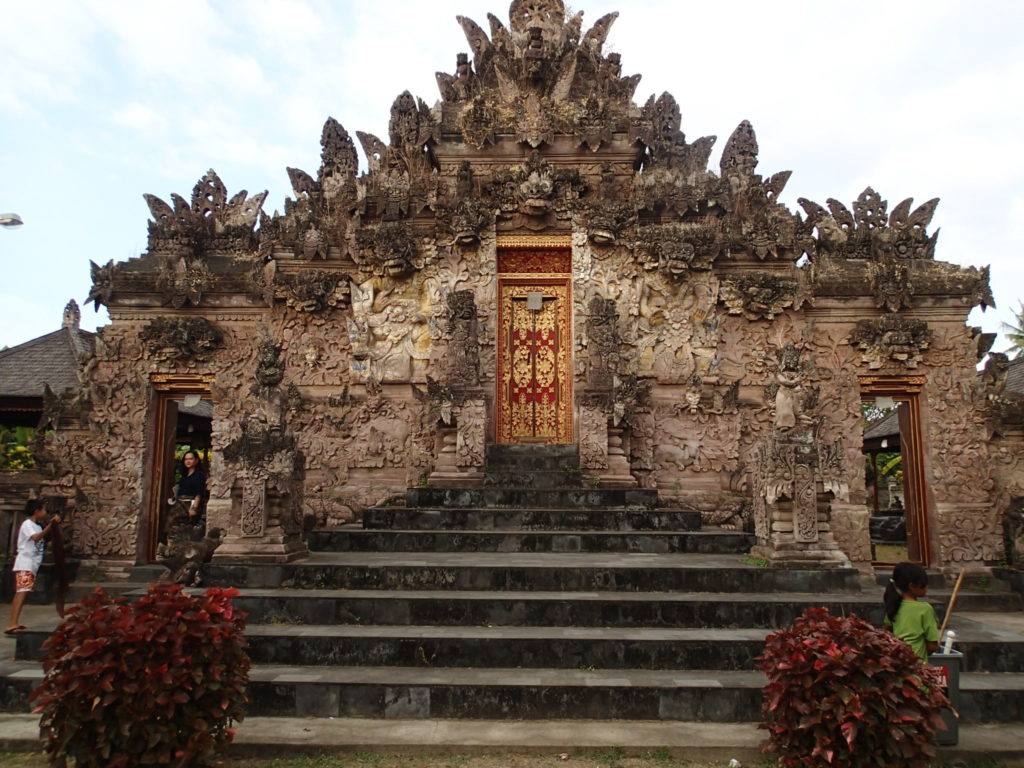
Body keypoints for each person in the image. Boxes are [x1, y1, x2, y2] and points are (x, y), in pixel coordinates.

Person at [5, 500, 60, 635]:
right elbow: (35, 538)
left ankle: (14, 622)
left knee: (23, 592)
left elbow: (43, 538)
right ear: (37, 511)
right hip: (25, 563)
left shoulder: (38, 526)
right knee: (21, 592)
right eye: (44, 510)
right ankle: (11, 624)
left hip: (32, 564)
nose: (45, 513)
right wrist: (51, 525)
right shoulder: (27, 524)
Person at [884, 561, 940, 662]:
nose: (926, 588)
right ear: (911, 585)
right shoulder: (925, 608)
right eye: (923, 584)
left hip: (897, 664)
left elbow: (886, 633)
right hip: (916, 666)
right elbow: (932, 646)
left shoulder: (893, 605)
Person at [166, 450, 206, 544]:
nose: (188, 461)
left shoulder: (199, 475)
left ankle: (174, 546)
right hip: (179, 503)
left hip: (189, 503)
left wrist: (194, 508)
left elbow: (199, 493)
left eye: (191, 459)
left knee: (177, 523)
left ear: (196, 460)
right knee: (171, 523)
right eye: (186, 459)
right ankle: (171, 546)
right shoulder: (184, 475)